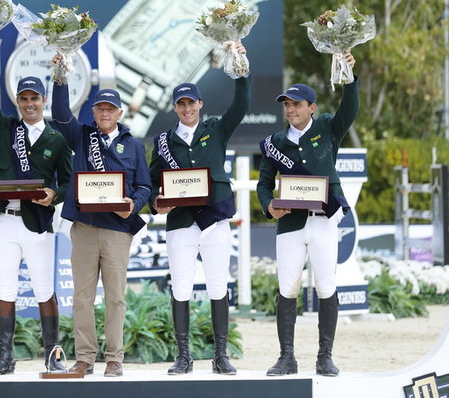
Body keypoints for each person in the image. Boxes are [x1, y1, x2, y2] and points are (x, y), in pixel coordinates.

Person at [149, 41, 250, 376]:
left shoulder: (216, 129)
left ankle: (220, 355)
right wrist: (155, 202)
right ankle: (184, 356)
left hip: (215, 221)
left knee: (218, 285)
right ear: (175, 107)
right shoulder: (163, 141)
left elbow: (242, 104)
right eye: (181, 103)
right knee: (181, 287)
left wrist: (240, 67)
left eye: (191, 102)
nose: (187, 108)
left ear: (200, 104)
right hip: (180, 222)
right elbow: (151, 183)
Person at [257, 51, 358, 377]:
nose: (290, 109)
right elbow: (264, 183)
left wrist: (350, 77)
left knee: (325, 286)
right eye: (287, 104)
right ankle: (287, 357)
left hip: (324, 221)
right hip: (289, 223)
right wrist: (268, 206)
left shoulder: (328, 127)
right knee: (287, 287)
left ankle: (324, 356)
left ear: (311, 108)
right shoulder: (274, 142)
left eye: (297, 104)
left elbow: (351, 109)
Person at [50, 54, 151, 378]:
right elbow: (61, 113)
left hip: (117, 230)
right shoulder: (82, 136)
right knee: (81, 298)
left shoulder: (133, 145)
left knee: (116, 299)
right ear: (93, 112)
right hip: (84, 227)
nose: (105, 113)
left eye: (110, 108)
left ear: (119, 113)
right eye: (100, 108)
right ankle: (84, 358)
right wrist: (60, 76)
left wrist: (132, 205)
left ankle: (114, 358)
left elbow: (144, 186)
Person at [0, 63, 73, 376]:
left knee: (44, 288)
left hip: (37, 221)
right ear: (18, 101)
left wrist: (54, 195)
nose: (29, 103)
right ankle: (5, 358)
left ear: (44, 101)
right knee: (5, 287)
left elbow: (69, 181)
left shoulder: (56, 139)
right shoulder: (7, 128)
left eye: (35, 98)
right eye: (24, 98)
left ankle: (53, 355)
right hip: (4, 220)